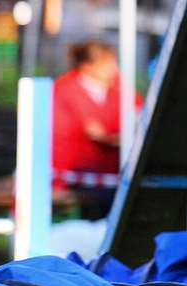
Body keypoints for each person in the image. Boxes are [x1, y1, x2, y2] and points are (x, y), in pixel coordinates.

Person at [52, 40, 140, 220]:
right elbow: (64, 138)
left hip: (115, 175)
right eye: (107, 64)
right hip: (76, 179)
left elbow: (142, 116)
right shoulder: (65, 90)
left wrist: (110, 137)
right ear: (87, 66)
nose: (113, 69)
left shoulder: (120, 88)